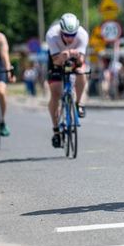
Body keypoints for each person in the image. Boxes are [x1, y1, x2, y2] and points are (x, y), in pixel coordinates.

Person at [45, 13, 89, 148]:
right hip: (56, 60)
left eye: (72, 35)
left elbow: (81, 62)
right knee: (55, 93)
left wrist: (77, 56)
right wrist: (63, 56)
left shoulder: (82, 34)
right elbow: (55, 61)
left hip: (74, 60)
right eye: (66, 35)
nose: (70, 38)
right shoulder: (52, 35)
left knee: (81, 72)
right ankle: (56, 130)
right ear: (61, 31)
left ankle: (79, 103)